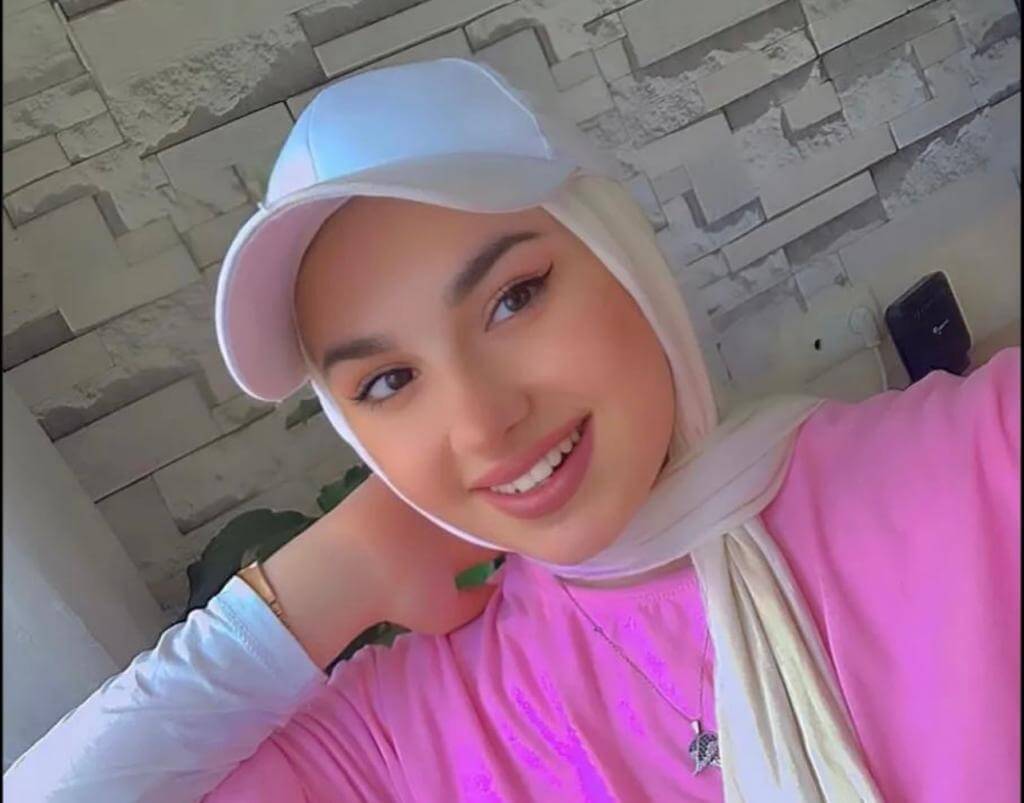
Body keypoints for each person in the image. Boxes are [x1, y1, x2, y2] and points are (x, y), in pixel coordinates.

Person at [4, 57, 1019, 802]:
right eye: (388, 381)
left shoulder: (972, 468)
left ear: (622, 256)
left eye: (513, 297)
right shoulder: (404, 737)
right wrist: (327, 579)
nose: (481, 423)